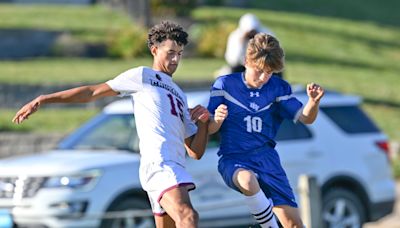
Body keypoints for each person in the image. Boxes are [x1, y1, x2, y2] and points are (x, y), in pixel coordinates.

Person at [13, 21, 212, 228]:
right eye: (170, 52)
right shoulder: (142, 76)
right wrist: (44, 99)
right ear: (154, 50)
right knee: (188, 217)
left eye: (179, 54)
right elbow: (92, 92)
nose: (175, 59)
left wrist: (204, 123)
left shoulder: (179, 94)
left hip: (173, 167)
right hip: (160, 164)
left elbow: (195, 152)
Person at [208, 33, 324, 228]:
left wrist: (313, 102)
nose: (263, 78)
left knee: (294, 224)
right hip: (234, 158)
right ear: (246, 61)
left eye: (269, 72)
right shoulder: (225, 85)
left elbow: (306, 118)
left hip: (267, 159)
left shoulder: (278, 88)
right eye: (259, 70)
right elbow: (210, 128)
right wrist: (217, 120)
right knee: (247, 180)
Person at [219, 13, 283, 78]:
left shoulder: (267, 34)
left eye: (254, 32)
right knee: (235, 70)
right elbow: (233, 60)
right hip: (244, 67)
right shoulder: (235, 37)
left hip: (264, 65)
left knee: (276, 70)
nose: (251, 35)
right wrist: (241, 44)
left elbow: (278, 56)